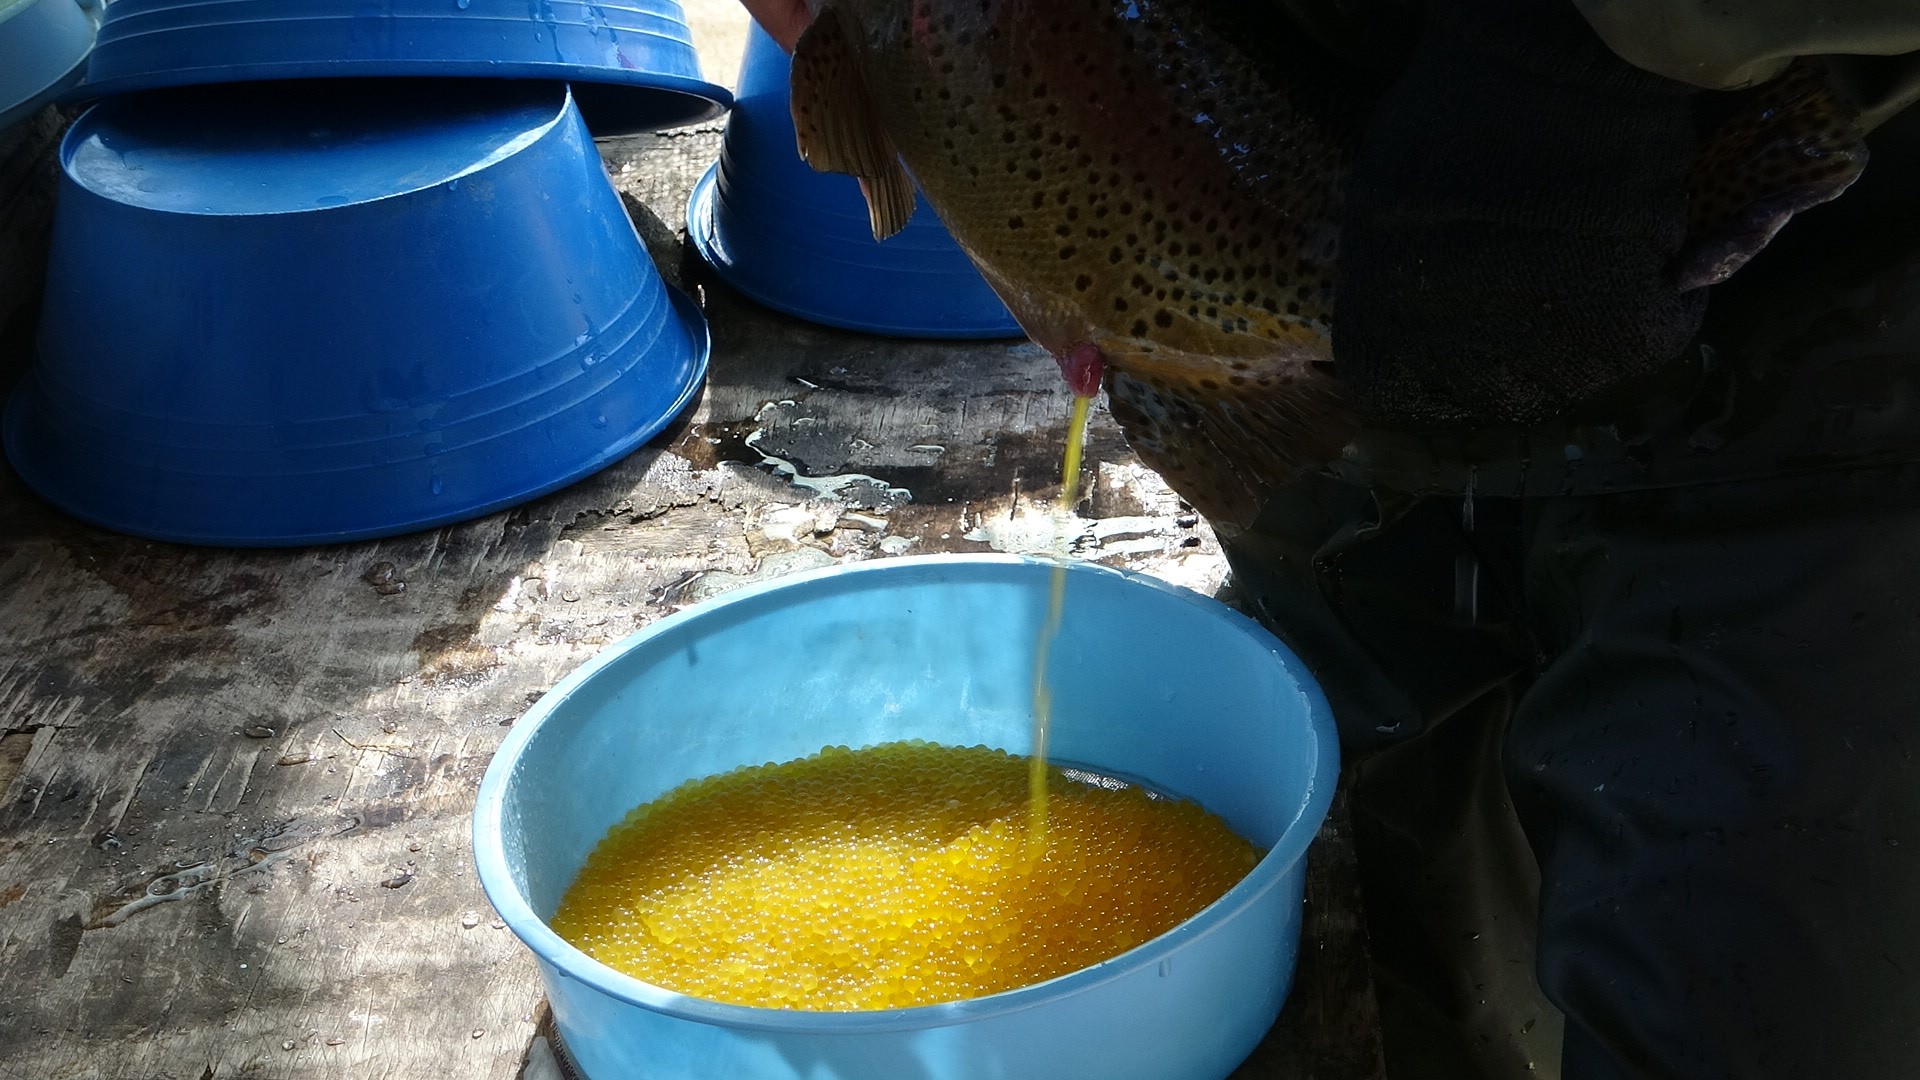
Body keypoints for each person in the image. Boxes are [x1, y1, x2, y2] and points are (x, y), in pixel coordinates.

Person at [734, 2, 1920, 1077]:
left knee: (1757, 986)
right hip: (1333, 292)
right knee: (1393, 959)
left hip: (1809, 334)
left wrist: (1600, 57)